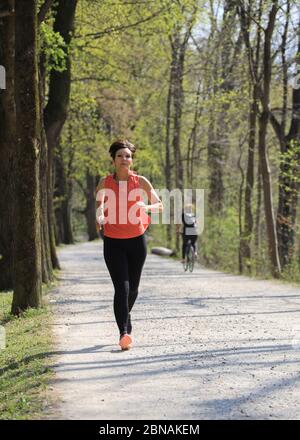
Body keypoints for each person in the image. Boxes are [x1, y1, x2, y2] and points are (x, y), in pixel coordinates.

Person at [95, 140, 163, 351]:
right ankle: (124, 333)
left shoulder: (140, 181)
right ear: (113, 159)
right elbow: (98, 205)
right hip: (113, 242)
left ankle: (125, 315)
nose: (125, 159)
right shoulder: (105, 183)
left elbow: (160, 205)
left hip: (136, 240)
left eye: (128, 156)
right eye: (120, 156)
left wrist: (146, 205)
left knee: (133, 288)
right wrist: (99, 217)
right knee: (122, 288)